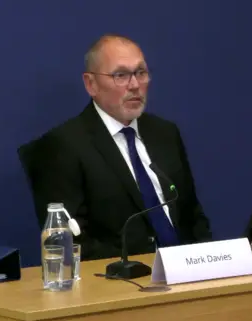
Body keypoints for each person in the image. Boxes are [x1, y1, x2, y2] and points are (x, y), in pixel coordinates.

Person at [19, 34, 212, 261]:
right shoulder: (62, 146)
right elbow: (68, 242)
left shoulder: (165, 133)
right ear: (91, 84)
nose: (135, 85)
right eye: (120, 75)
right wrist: (143, 267)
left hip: (188, 273)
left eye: (140, 73)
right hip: (120, 281)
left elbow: (192, 215)